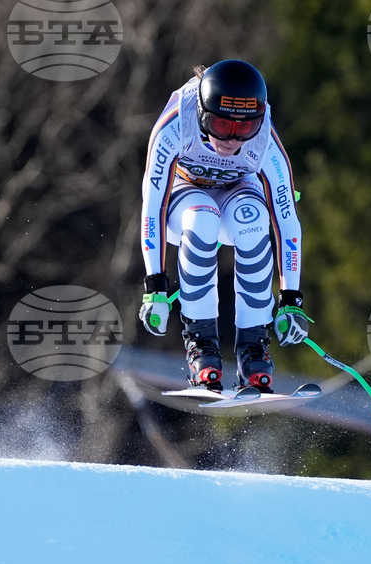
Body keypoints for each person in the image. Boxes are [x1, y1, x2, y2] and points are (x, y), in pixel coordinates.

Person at [138, 59, 312, 392]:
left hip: (236, 191)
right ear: (203, 114)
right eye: (221, 126)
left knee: (255, 219)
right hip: (183, 195)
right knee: (203, 218)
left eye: (244, 129)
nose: (232, 139)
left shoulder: (265, 141)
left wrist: (291, 300)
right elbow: (153, 207)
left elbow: (286, 221)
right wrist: (155, 288)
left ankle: (253, 349)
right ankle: (202, 348)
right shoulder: (176, 125)